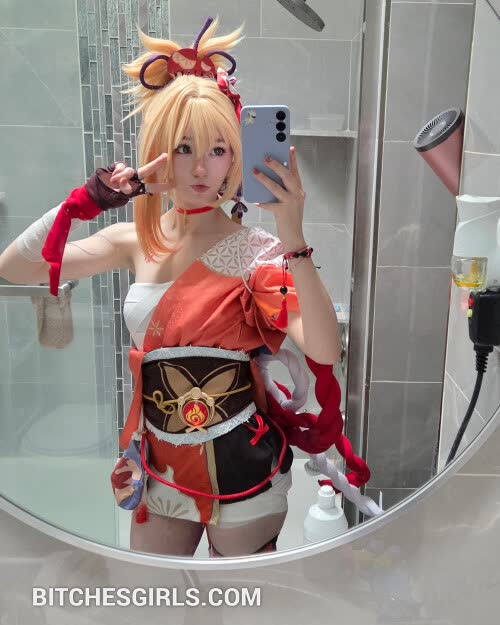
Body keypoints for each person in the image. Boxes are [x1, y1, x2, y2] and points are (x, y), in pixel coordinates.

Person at [0, 16, 372, 557]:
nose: (200, 168)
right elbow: (16, 268)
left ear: (235, 157)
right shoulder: (133, 239)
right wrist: (91, 200)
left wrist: (293, 237)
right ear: (157, 152)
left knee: (239, 600)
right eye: (182, 148)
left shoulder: (257, 251)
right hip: (159, 467)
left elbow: (323, 349)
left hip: (242, 470)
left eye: (218, 149)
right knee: (151, 596)